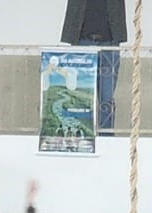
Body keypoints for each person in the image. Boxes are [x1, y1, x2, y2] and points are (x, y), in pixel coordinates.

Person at [60, 0, 125, 135]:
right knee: (81, 94)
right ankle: (81, 134)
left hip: (109, 43)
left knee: (106, 97)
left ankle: (106, 136)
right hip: (82, 42)